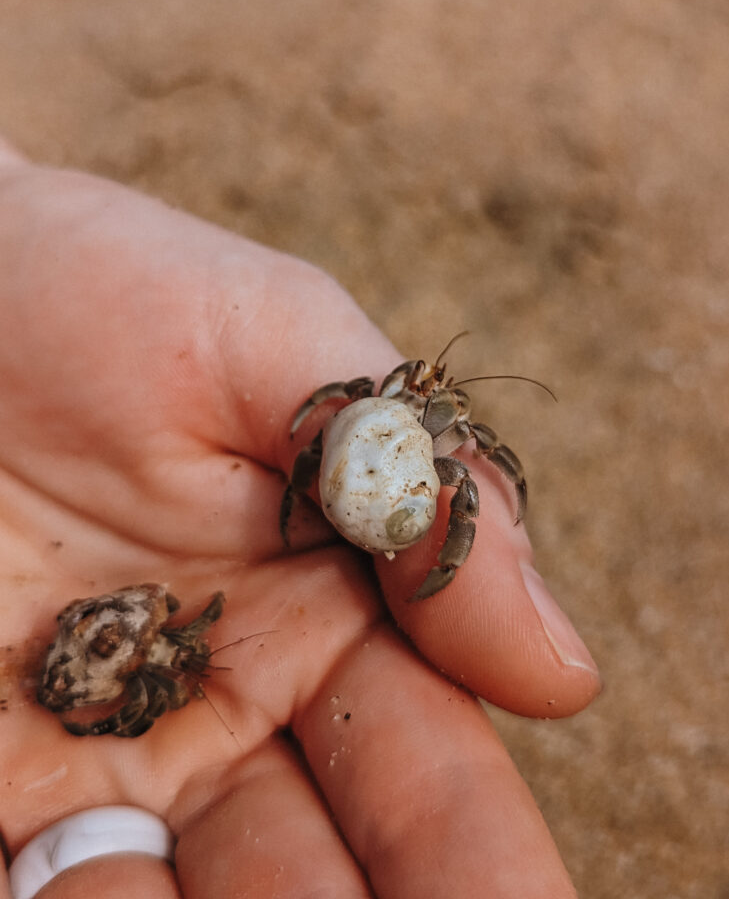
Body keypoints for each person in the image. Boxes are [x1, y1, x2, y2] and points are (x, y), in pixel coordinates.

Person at [0, 140, 601, 898]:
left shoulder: (440, 436)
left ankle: (430, 558)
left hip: (376, 498)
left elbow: (462, 455)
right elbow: (346, 393)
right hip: (340, 484)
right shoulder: (375, 398)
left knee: (473, 483)